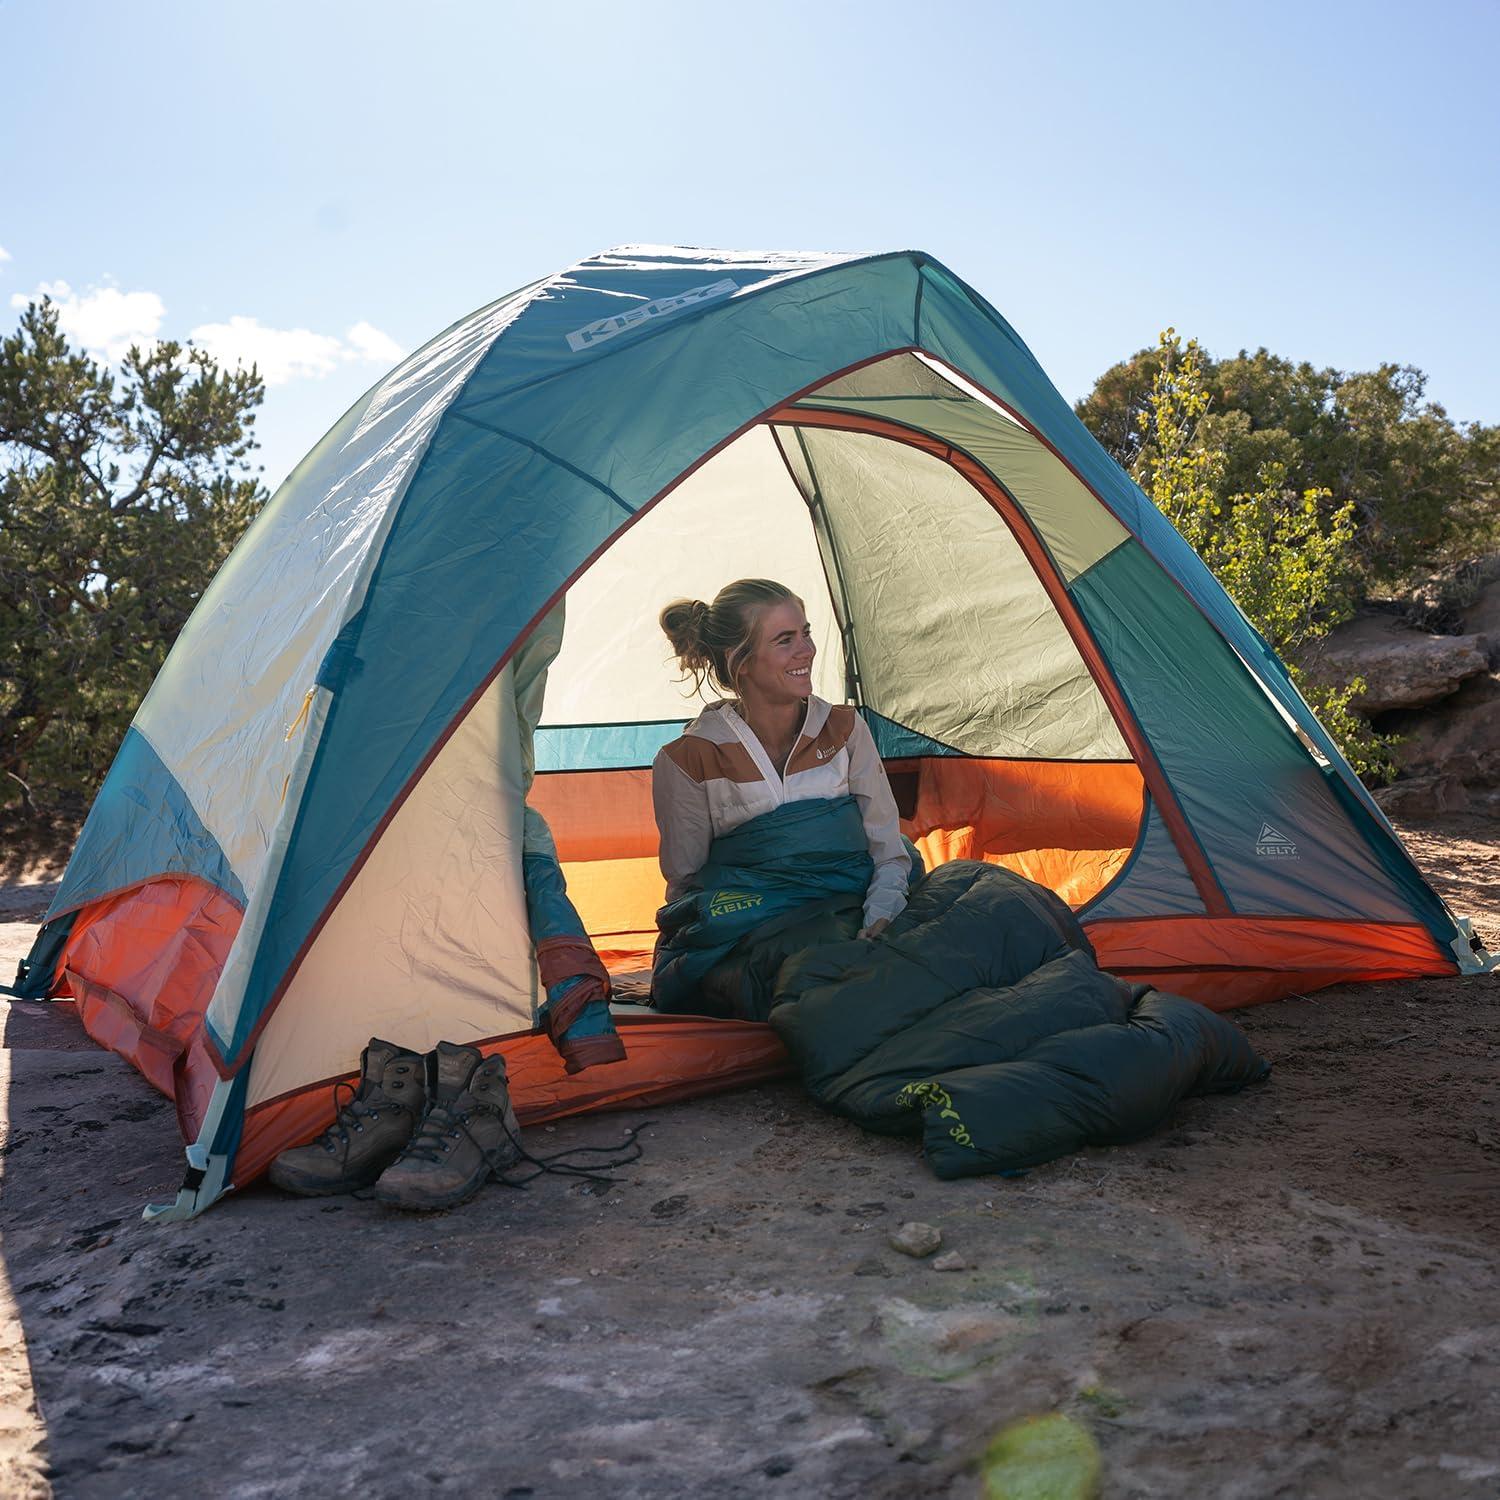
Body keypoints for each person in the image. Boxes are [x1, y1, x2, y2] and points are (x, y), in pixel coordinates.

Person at [650, 580, 911, 990]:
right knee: (804, 971)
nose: (806, 650)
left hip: (858, 907)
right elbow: (689, 887)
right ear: (742, 661)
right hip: (759, 934)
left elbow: (888, 851)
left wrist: (881, 915)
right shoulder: (688, 759)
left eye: (805, 633)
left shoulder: (843, 729)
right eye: (785, 640)